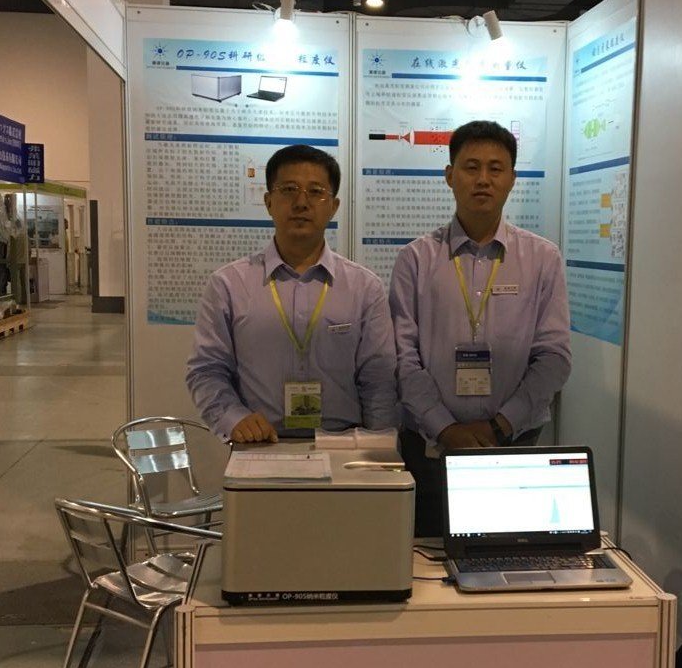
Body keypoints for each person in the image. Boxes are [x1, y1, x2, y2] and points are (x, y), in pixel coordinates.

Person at [389, 119, 572, 535]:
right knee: (426, 554)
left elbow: (554, 357)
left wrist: (500, 425)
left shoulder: (543, 259)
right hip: (429, 446)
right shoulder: (416, 259)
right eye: (471, 167)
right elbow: (402, 356)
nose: (483, 179)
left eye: (496, 168)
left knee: (510, 550)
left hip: (514, 441)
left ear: (512, 179)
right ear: (449, 176)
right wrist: (445, 427)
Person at [187, 144, 397, 443]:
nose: (301, 202)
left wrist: (377, 448)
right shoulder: (228, 284)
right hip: (260, 445)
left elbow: (379, 380)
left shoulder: (364, 287)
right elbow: (206, 370)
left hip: (344, 447)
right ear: (268, 202)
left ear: (333, 206)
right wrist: (235, 418)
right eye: (288, 190)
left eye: (316, 192)